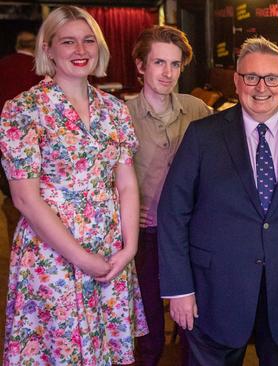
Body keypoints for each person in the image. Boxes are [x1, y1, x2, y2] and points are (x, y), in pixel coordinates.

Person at [157, 36, 278, 366]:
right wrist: (179, 289)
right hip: (215, 292)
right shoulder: (202, 135)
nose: (261, 87)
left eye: (272, 78)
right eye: (251, 77)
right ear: (237, 82)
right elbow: (172, 212)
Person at [0, 6, 147, 365]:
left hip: (111, 247)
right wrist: (82, 258)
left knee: (107, 352)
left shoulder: (114, 109)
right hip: (53, 251)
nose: (80, 50)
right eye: (68, 42)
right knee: (57, 353)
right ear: (47, 49)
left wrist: (129, 249)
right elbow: (24, 199)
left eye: (88, 41)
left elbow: (126, 184)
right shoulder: (23, 109)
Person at [127, 25, 212, 366]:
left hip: (192, 235)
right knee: (147, 329)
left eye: (175, 64)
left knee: (196, 324)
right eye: (159, 62)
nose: (168, 72)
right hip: (145, 236)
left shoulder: (197, 110)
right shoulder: (122, 116)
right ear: (140, 65)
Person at [0, 31, 42, 243]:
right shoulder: (40, 70)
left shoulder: (3, 65)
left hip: (5, 145)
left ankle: (16, 241)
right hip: (39, 148)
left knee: (12, 198)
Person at [0, 31, 42, 109]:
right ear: (35, 46)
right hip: (30, 114)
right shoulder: (39, 66)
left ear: (17, 45)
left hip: (4, 113)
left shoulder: (2, 63)